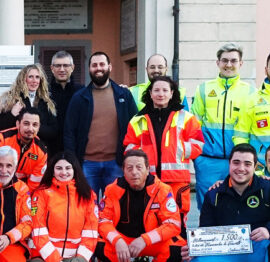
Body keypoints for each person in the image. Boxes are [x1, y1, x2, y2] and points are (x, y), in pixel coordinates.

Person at [183, 144, 270, 262]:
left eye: (247, 164)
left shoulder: (268, 188)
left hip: (259, 245)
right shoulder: (214, 194)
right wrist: (195, 248)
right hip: (227, 250)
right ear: (229, 164)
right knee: (196, 260)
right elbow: (205, 230)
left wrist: (269, 230)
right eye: (236, 162)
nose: (241, 168)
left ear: (255, 167)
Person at [123, 75, 203, 232]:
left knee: (177, 222)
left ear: (172, 93)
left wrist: (178, 149)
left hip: (176, 180)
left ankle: (177, 253)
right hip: (148, 179)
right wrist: (141, 158)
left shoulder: (186, 118)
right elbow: (128, 146)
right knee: (148, 220)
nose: (161, 94)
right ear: (150, 93)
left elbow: (198, 144)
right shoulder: (138, 119)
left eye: (165, 90)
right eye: (157, 90)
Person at [64, 51, 137, 198]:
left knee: (115, 206)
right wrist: (73, 161)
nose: (99, 68)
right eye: (94, 65)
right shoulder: (79, 98)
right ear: (89, 68)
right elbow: (69, 131)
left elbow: (135, 127)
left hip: (116, 163)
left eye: (102, 64)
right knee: (87, 205)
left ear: (109, 67)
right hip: (86, 164)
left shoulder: (124, 95)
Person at [191, 43, 255, 209]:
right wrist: (197, 156)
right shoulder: (204, 89)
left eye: (233, 61)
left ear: (241, 64)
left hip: (237, 160)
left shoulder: (250, 92)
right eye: (224, 60)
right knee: (208, 204)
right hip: (208, 159)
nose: (228, 64)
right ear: (218, 62)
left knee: (237, 204)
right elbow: (193, 124)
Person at [98, 150, 184, 262]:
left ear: (148, 170)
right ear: (123, 171)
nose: (134, 172)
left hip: (150, 241)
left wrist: (145, 239)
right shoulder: (112, 190)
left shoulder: (162, 190)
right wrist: (117, 240)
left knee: (178, 247)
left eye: (139, 167)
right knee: (95, 242)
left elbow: (173, 224)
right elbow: (103, 221)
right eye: (129, 168)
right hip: (122, 241)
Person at [30, 152, 98, 262]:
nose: (64, 172)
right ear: (52, 170)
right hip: (44, 256)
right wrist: (55, 260)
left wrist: (81, 258)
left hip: (76, 256)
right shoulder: (41, 193)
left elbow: (91, 230)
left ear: (74, 170)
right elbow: (38, 230)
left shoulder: (88, 194)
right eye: (59, 168)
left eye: (68, 168)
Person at [0, 64, 59, 154]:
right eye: (30, 77)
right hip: (14, 151)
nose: (34, 81)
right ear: (23, 79)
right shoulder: (11, 99)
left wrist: (33, 129)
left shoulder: (47, 102)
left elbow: (53, 131)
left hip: (39, 152)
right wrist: (11, 114)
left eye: (37, 77)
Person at [0, 107, 48, 191]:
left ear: (39, 127)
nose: (30, 129)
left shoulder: (41, 152)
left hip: (20, 192)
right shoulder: (3, 139)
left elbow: (34, 185)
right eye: (26, 123)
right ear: (18, 124)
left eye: (35, 125)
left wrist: (22, 197)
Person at [48, 50, 79, 155]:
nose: (62, 69)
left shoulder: (81, 92)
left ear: (72, 67)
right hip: (50, 149)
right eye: (58, 66)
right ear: (52, 68)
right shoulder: (44, 93)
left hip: (75, 149)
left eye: (66, 65)